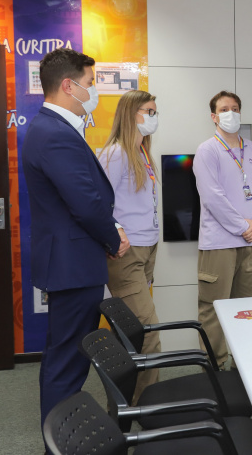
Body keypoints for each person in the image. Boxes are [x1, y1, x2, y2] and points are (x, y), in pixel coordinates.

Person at [22, 48, 130, 436]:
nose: (94, 89)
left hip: (71, 261)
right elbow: (84, 203)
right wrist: (113, 238)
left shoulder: (54, 128)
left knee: (63, 357)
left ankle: (61, 437)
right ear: (68, 86)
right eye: (90, 82)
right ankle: (62, 441)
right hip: (73, 264)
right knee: (67, 362)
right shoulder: (55, 133)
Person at [193, 90, 252, 367]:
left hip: (250, 241)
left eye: (235, 108)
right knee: (214, 309)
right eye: (224, 109)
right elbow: (212, 197)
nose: (231, 113)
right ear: (214, 117)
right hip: (219, 243)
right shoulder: (207, 150)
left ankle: (244, 367)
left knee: (248, 309)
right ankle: (215, 371)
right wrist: (242, 226)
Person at [98, 90, 162, 404]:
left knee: (130, 332)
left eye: (155, 111)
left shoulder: (142, 153)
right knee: (147, 332)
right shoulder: (115, 154)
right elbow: (98, 202)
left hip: (147, 248)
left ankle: (125, 399)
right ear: (130, 114)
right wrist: (116, 231)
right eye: (148, 111)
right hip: (127, 253)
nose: (154, 117)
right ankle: (145, 404)